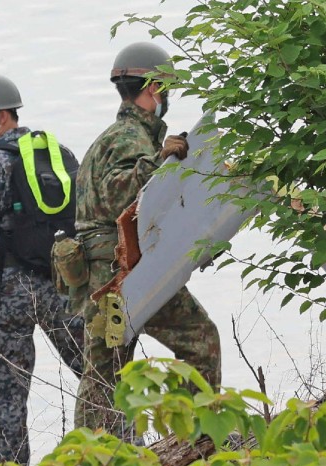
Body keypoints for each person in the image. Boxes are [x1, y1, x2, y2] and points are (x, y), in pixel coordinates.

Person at [72, 42, 222, 433]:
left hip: (103, 272)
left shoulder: (111, 136)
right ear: (155, 88)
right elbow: (116, 195)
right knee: (200, 339)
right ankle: (198, 438)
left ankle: (90, 463)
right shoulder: (132, 138)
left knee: (105, 369)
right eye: (165, 88)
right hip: (125, 270)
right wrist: (157, 162)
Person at [0, 74, 84, 466]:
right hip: (62, 285)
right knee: (96, 374)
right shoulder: (59, 154)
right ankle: (125, 456)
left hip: (7, 290)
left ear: (2, 117)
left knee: (8, 394)